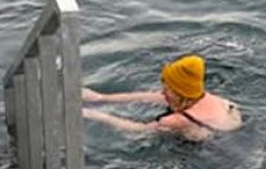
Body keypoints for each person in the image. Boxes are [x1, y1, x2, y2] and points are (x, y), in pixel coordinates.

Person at [82, 55, 242, 141]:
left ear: (179, 92)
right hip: (238, 137)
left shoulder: (176, 120)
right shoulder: (214, 99)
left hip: (220, 157)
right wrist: (100, 98)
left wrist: (96, 115)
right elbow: (145, 97)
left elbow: (138, 130)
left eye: (167, 89)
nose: (162, 92)